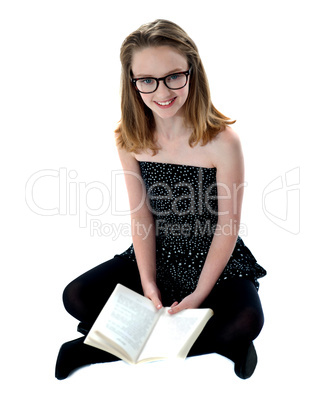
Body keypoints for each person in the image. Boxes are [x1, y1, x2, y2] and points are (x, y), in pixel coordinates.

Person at [55, 19, 267, 381]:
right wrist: (148, 283)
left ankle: (96, 347)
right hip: (158, 253)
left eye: (173, 76)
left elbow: (227, 226)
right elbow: (141, 219)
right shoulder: (130, 138)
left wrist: (200, 294)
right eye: (147, 81)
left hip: (215, 261)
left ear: (192, 71)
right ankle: (218, 341)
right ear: (133, 83)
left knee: (248, 320)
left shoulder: (222, 142)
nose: (162, 91)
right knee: (76, 296)